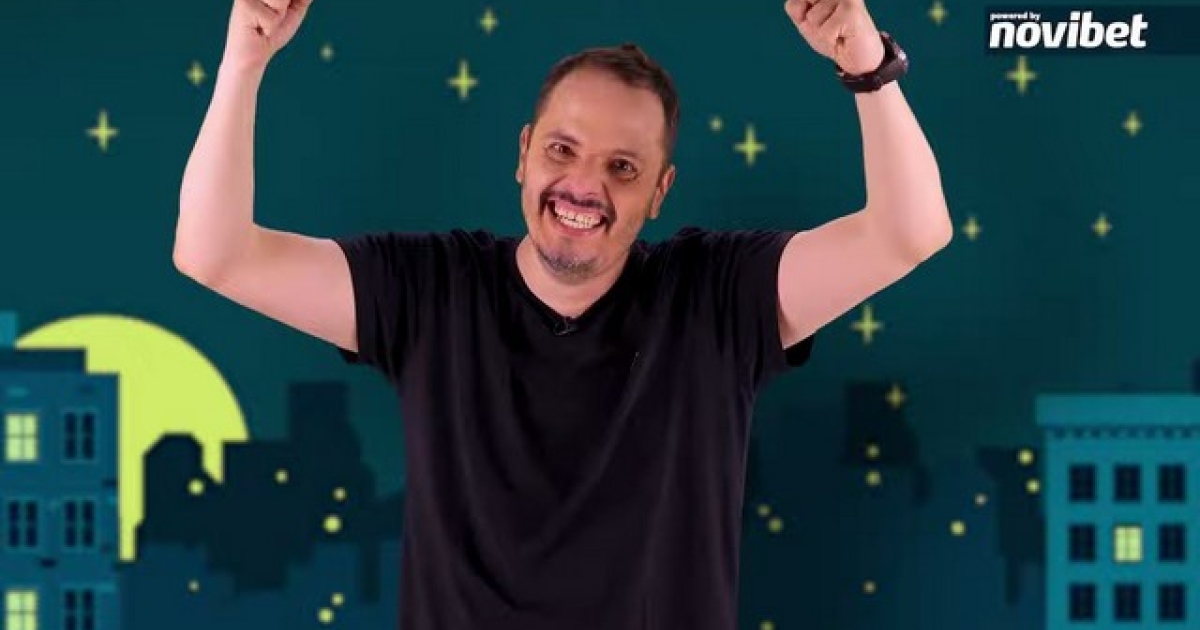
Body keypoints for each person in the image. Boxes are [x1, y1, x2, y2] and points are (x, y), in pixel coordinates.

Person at [174, 0, 952, 627]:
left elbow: (910, 233)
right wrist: (244, 64)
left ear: (660, 191)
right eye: (561, 150)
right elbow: (214, 254)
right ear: (523, 153)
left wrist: (868, 66)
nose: (584, 186)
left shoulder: (715, 297)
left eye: (623, 167)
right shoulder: (429, 289)